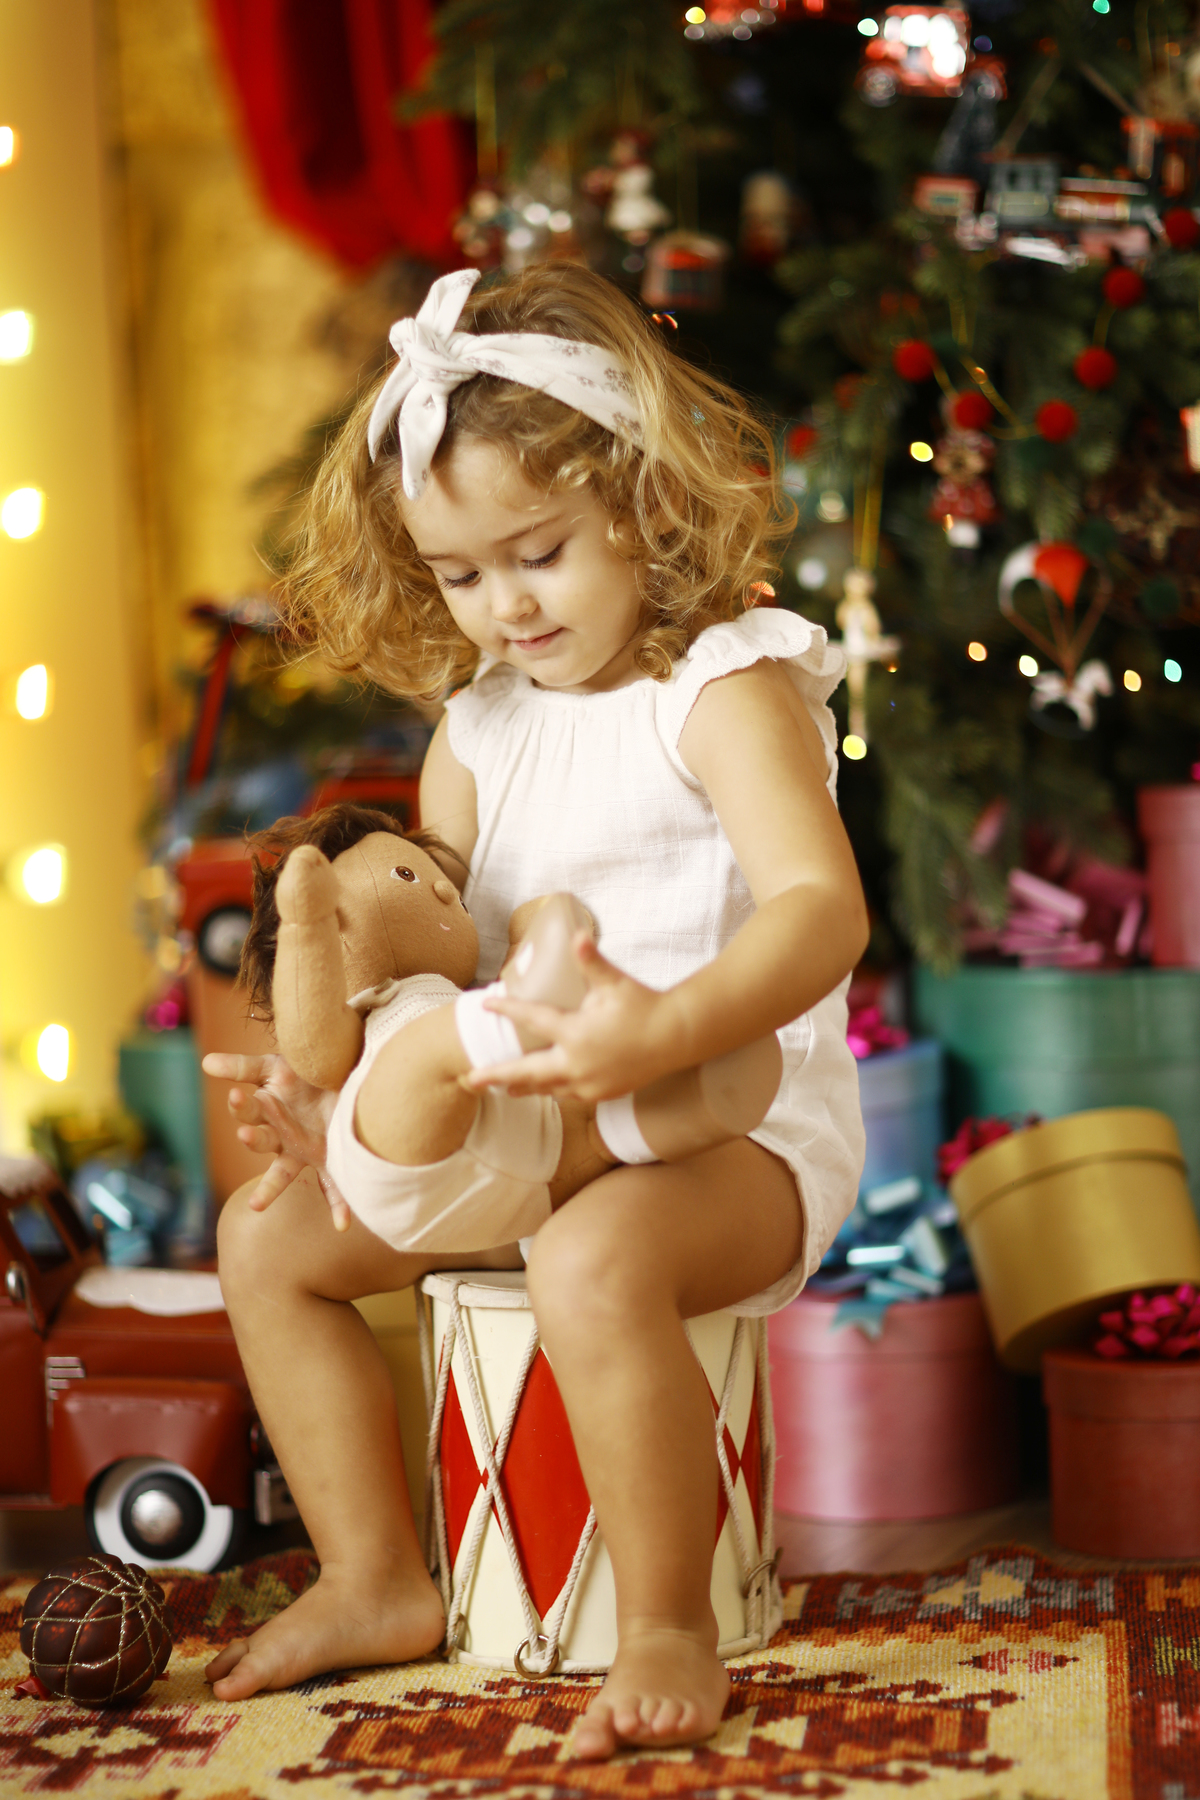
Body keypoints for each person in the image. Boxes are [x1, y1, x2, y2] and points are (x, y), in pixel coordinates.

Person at [203, 262, 867, 1761]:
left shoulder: (722, 688)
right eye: (457, 573)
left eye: (540, 552)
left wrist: (666, 1027)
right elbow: (424, 959)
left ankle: (665, 1627)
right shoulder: (478, 733)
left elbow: (825, 916)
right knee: (266, 1238)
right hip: (528, 1127)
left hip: (726, 1135)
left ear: (637, 494)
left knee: (592, 1255)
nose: (504, 605)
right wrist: (336, 1104)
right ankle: (375, 1575)